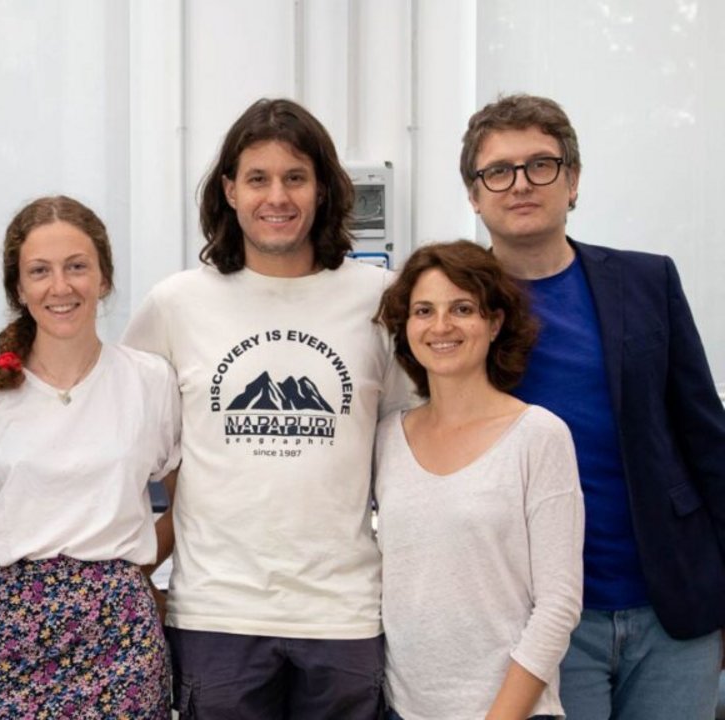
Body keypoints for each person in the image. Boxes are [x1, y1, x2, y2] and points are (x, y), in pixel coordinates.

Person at [122, 97, 414, 718]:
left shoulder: (381, 299)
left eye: (295, 178)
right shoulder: (176, 303)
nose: (276, 197)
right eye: (257, 178)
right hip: (217, 610)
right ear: (229, 190)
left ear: (323, 190)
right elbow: (133, 435)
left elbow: (408, 436)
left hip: (345, 611)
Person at [462, 93, 725, 720]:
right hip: (537, 621)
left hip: (671, 609)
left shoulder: (647, 281)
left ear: (572, 180)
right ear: (475, 195)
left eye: (541, 165)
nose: (520, 183)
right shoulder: (455, 307)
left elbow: (706, 439)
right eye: (498, 170)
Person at [0, 196, 179, 719]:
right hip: (7, 640)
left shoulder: (150, 381)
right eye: (40, 271)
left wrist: (128, 574)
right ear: (19, 288)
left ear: (105, 278)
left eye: (77, 267)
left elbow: (190, 506)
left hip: (122, 644)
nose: (60, 287)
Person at [373, 240, 583, 719]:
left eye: (462, 308)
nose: (441, 326)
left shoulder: (539, 436)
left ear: (494, 322)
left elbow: (558, 605)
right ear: (406, 330)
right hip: (402, 710)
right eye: (424, 310)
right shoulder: (387, 438)